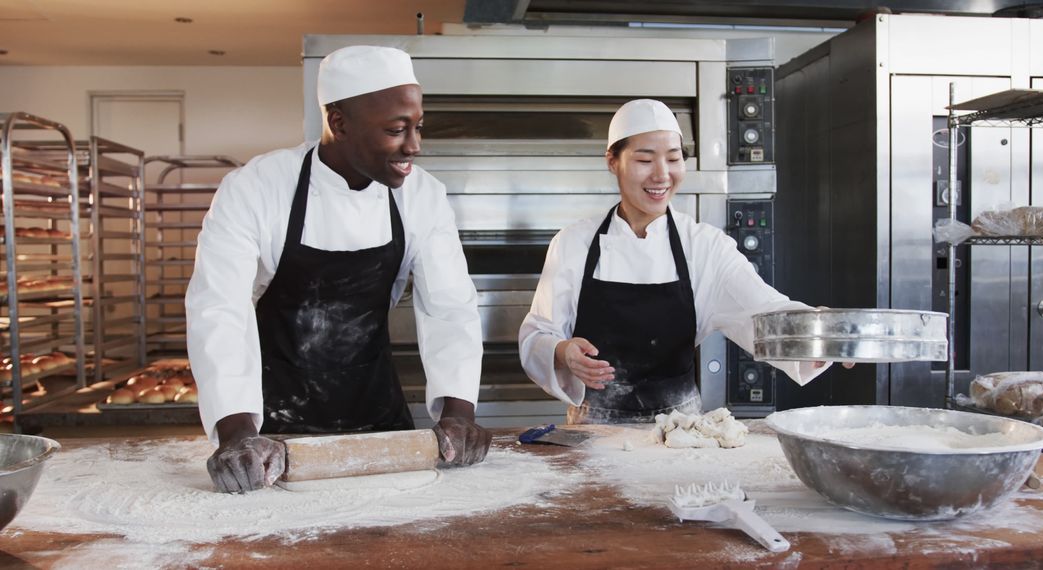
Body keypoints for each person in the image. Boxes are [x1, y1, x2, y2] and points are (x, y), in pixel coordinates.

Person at [186, 46, 491, 493]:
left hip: (381, 422)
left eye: (417, 126)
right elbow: (219, 308)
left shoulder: (422, 196)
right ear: (338, 122)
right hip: (271, 434)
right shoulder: (257, 188)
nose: (414, 146)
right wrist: (237, 434)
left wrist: (459, 413)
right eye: (395, 129)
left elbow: (449, 307)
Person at [519, 99, 850, 424]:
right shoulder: (574, 243)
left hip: (681, 432)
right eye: (645, 160)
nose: (662, 175)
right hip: (593, 430)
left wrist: (821, 332)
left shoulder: (705, 246)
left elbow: (763, 314)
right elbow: (537, 333)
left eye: (674, 159)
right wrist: (563, 352)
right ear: (612, 161)